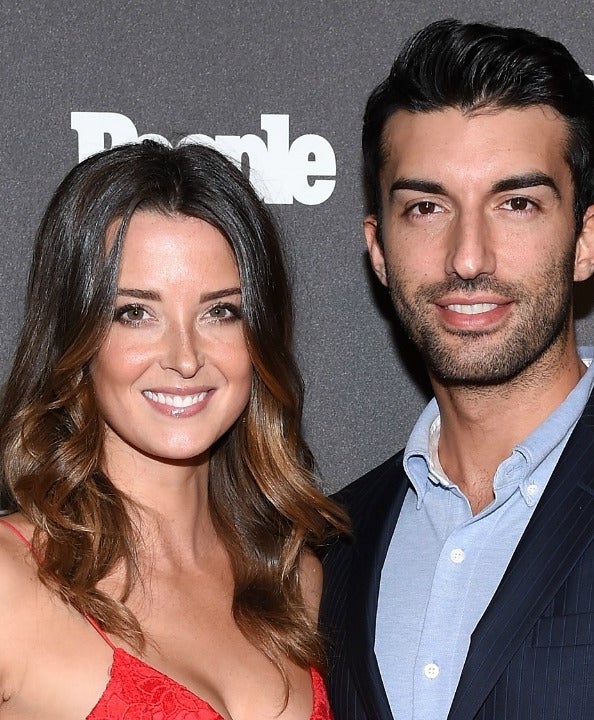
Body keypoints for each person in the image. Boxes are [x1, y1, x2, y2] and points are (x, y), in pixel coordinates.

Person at [319, 18, 594, 720]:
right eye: (426, 208)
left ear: (586, 240)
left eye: (516, 204)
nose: (468, 257)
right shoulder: (331, 544)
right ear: (379, 250)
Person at [0, 140, 346, 719]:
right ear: (75, 335)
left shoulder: (296, 581)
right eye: (135, 312)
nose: (185, 358)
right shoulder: (9, 581)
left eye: (220, 312)